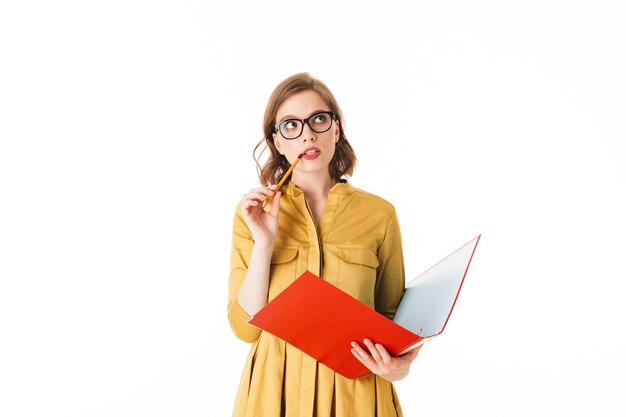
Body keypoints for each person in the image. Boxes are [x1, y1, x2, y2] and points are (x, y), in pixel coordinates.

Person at [228, 72, 420, 417]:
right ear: (277, 141)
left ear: (335, 129)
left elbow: (396, 326)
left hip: (356, 395)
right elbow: (245, 328)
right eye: (291, 125)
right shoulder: (251, 215)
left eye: (319, 119)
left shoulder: (380, 214)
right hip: (274, 395)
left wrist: (399, 367)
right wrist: (264, 244)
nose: (307, 134)